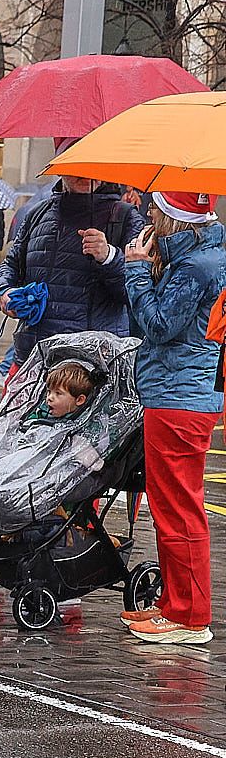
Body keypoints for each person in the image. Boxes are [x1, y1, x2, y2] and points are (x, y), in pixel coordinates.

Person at [119, 192, 226, 645]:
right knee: (171, 507)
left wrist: (137, 271)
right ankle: (175, 605)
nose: (147, 215)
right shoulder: (202, 255)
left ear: (174, 218)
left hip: (179, 395)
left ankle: (188, 616)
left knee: (179, 509)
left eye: (156, 209)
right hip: (183, 392)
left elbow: (160, 325)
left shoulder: (196, 267)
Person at [0, 174, 145, 365]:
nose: (86, 175)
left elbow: (136, 292)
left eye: (93, 167)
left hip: (91, 363)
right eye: (77, 169)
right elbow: (11, 265)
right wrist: (3, 293)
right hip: (34, 356)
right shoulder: (37, 214)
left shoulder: (125, 217)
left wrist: (109, 257)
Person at [26, 360, 95, 423]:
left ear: (79, 400)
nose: (49, 398)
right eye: (49, 392)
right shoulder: (41, 412)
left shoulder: (84, 422)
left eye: (58, 393)